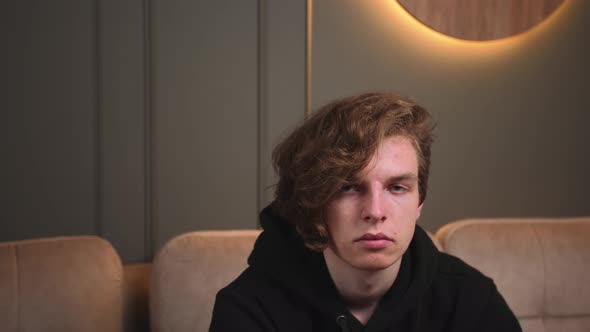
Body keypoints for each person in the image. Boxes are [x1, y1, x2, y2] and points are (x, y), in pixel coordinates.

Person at [209, 93, 521, 332]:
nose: (375, 211)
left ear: (420, 202)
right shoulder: (249, 308)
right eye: (348, 188)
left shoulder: (469, 300)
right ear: (312, 202)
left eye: (397, 187)